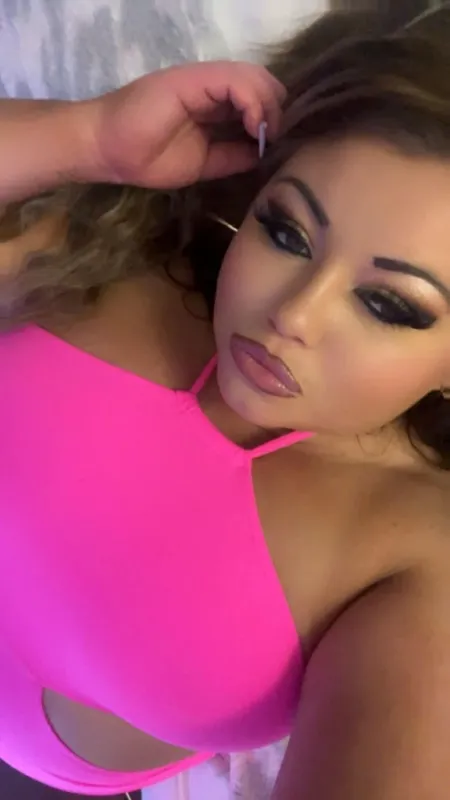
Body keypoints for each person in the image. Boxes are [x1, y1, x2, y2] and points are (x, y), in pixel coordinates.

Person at [1, 6, 450, 799]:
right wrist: (85, 136)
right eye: (287, 231)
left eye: (389, 304)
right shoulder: (127, 251)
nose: (294, 315)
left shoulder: (416, 561)